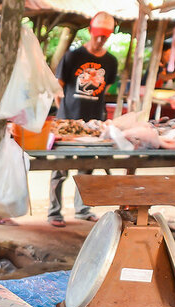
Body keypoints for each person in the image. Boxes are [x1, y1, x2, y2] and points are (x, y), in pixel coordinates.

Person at [48, 12, 118, 228]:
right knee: (60, 169)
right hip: (68, 121)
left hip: (94, 123)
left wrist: (95, 122)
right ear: (90, 31)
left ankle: (82, 209)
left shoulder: (111, 61)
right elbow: (57, 89)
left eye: (104, 36)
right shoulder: (72, 56)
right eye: (97, 35)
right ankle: (54, 212)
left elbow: (103, 90)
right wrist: (66, 115)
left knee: (87, 169)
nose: (100, 39)